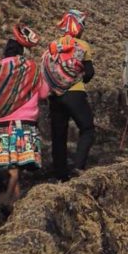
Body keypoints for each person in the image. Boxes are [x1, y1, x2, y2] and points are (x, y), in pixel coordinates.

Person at [0, 27, 48, 203]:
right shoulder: (30, 68)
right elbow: (44, 93)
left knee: (7, 166)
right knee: (15, 166)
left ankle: (14, 204)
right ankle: (2, 201)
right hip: (21, 125)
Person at [49, 9, 96, 181]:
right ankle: (78, 166)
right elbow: (89, 72)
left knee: (58, 134)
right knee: (87, 128)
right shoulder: (82, 46)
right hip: (75, 93)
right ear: (78, 27)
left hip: (54, 94)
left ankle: (60, 174)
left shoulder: (54, 44)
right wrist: (79, 80)